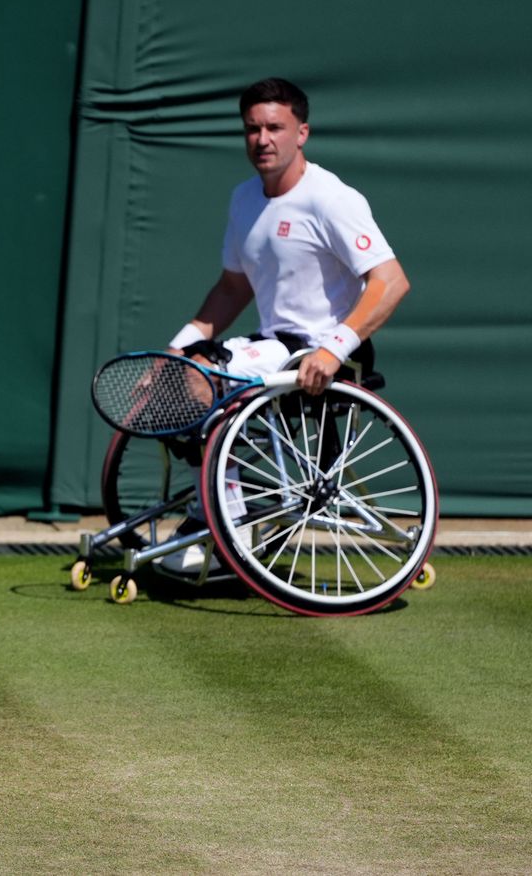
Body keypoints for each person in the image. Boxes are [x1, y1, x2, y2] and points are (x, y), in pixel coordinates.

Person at [159, 77, 411, 573]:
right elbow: (231, 289)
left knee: (200, 380)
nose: (262, 140)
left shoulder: (331, 198)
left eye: (275, 128)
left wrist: (334, 348)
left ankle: (227, 531)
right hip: (275, 347)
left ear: (302, 133)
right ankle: (221, 512)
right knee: (177, 376)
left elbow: (391, 281)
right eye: (252, 129)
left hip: (326, 352)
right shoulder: (243, 199)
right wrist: (174, 350)